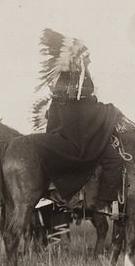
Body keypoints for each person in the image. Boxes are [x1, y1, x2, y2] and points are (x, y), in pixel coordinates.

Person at [44, 69, 125, 219]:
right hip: (80, 138)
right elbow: (86, 110)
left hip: (63, 135)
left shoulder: (63, 83)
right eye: (86, 57)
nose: (89, 61)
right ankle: (103, 203)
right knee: (114, 160)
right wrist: (110, 110)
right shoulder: (77, 79)